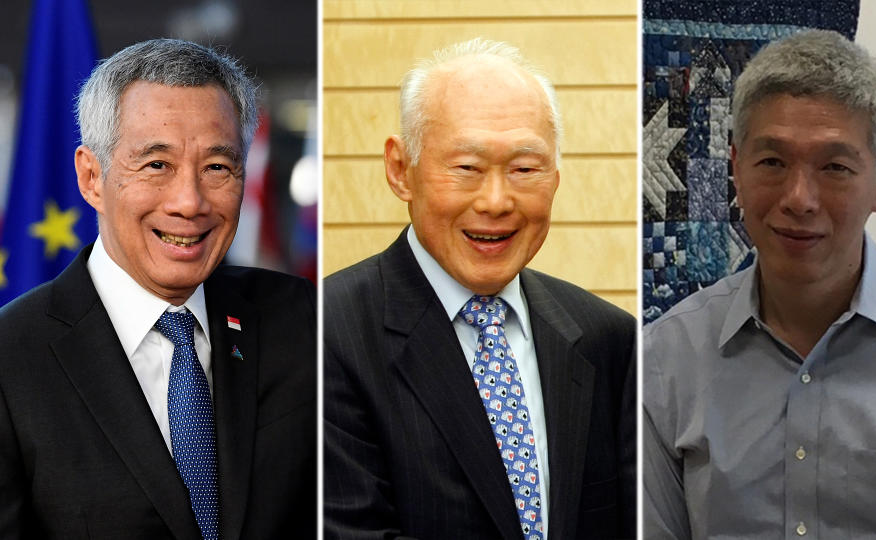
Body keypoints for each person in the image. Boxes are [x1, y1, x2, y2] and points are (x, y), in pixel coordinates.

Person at [643, 29, 876, 538]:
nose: (799, 198)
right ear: (735, 170)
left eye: (834, 166)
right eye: (772, 162)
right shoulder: (665, 360)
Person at [0, 39, 315, 538]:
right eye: (156, 165)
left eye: (217, 167)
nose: (189, 203)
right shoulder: (11, 358)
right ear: (92, 178)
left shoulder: (304, 323)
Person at [323, 38, 636, 539]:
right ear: (401, 170)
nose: (496, 201)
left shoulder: (610, 339)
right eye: (467, 169)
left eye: (524, 169)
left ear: (555, 178)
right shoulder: (329, 332)